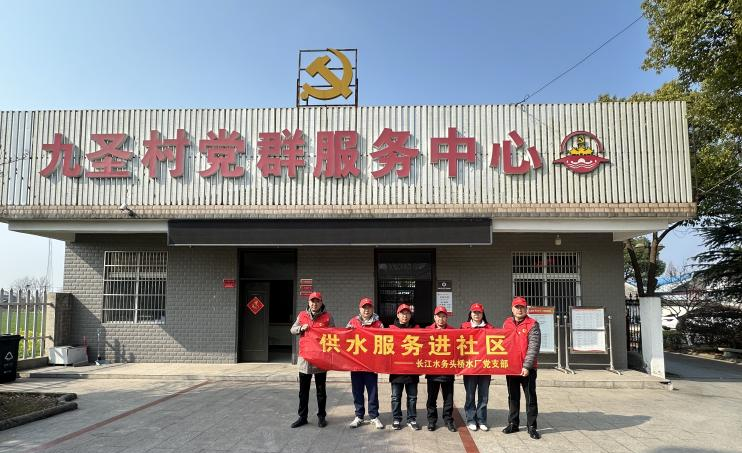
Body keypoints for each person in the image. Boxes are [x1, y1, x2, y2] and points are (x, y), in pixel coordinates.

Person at [289, 291, 335, 428]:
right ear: (308, 302)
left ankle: (321, 417)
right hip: (305, 360)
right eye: (312, 301)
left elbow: (334, 334)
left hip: (320, 360)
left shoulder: (327, 317)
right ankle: (302, 417)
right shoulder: (302, 315)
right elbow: (292, 329)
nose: (314, 304)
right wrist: (300, 328)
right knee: (303, 391)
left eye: (317, 301)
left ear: (321, 303)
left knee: (321, 391)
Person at [501, 296, 541, 439]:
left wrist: (527, 366)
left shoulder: (533, 324)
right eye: (517, 307)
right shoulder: (507, 323)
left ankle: (532, 426)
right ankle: (513, 423)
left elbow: (533, 347)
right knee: (513, 396)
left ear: (526, 309)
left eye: (522, 307)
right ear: (512, 309)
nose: (519, 310)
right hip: (511, 367)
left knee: (530, 397)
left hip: (527, 369)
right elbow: (503, 343)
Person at [346, 297, 385, 429]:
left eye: (369, 307)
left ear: (372, 309)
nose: (366, 310)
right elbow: (344, 339)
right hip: (356, 364)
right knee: (357, 391)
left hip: (371, 364)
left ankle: (374, 416)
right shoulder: (352, 322)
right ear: (360, 309)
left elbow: (384, 341)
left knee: (372, 391)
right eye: (364, 307)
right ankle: (359, 416)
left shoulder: (378, 324)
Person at [460, 302, 494, 432]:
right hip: (470, 367)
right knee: (470, 394)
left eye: (479, 312)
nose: (476, 315)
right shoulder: (464, 326)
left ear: (482, 314)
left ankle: (482, 420)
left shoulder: (490, 328)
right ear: (470, 313)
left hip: (485, 367)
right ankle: (471, 419)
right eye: (474, 312)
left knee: (483, 396)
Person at [388, 303, 421, 431]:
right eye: (402, 313)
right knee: (396, 397)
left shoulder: (417, 329)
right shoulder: (390, 329)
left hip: (412, 370)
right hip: (396, 370)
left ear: (410, 315)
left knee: (412, 398)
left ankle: (412, 419)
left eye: (407, 313)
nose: (405, 316)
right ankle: (396, 418)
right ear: (397, 315)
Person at [425, 306, 456, 432]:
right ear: (434, 317)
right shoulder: (427, 331)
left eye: (443, 316)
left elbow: (457, 350)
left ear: (446, 318)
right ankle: (432, 420)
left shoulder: (453, 331)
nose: (441, 319)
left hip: (448, 370)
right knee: (431, 398)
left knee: (448, 398)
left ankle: (448, 420)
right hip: (433, 370)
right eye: (438, 316)